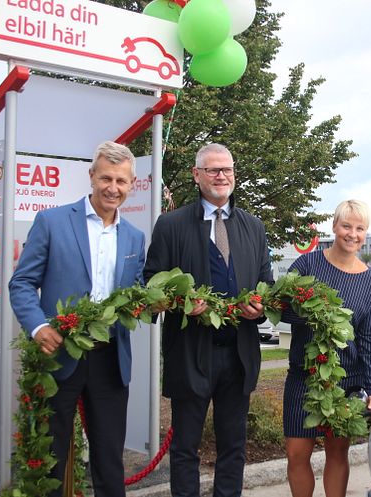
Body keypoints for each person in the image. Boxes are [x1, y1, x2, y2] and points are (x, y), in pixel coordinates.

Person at [9, 141, 146, 497]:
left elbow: (136, 294)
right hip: (59, 356)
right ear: (91, 177)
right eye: (105, 178)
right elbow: (22, 283)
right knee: (49, 456)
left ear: (131, 184)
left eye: (121, 181)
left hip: (110, 358)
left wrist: (151, 303)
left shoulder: (134, 236)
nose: (112, 188)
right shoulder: (51, 222)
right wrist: (39, 326)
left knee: (109, 457)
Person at [143, 143, 272, 497]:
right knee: (185, 448)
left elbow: (267, 286)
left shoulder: (253, 227)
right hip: (190, 353)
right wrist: (180, 302)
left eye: (227, 169)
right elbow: (151, 282)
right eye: (213, 170)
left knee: (233, 447)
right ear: (196, 175)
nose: (221, 176)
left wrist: (260, 307)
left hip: (239, 355)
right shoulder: (170, 226)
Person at [283, 199, 371, 497]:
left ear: (366, 233)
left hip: (346, 383)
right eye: (347, 226)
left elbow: (369, 340)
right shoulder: (307, 264)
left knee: (338, 455)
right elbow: (282, 310)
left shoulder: (369, 282)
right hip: (305, 376)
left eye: (360, 228)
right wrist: (316, 313)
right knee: (296, 455)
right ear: (334, 226)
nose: (353, 234)